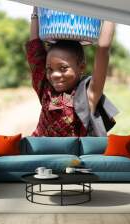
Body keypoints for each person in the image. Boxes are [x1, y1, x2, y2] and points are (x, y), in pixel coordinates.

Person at [26, 7, 119, 137]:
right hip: (40, 153)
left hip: (72, 157)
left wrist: (112, 10)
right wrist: (36, 9)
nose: (55, 75)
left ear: (81, 67)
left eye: (63, 68)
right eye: (49, 69)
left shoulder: (87, 95)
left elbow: (103, 49)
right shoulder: (45, 89)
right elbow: (34, 50)